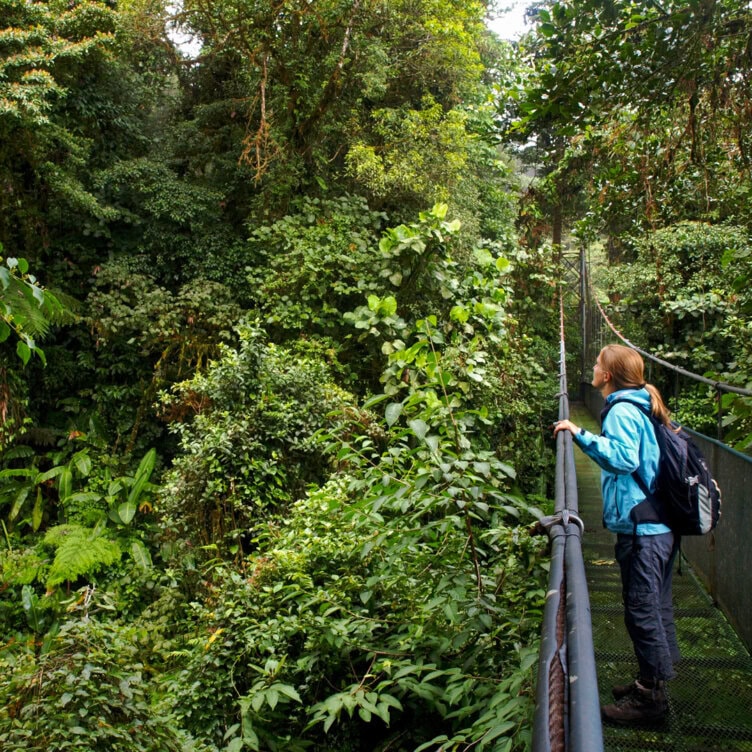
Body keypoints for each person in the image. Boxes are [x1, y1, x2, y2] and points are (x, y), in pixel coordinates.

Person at [553, 344, 680, 724]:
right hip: (658, 525)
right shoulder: (641, 404)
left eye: (597, 364)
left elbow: (624, 459)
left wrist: (579, 433)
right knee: (654, 608)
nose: (593, 368)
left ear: (607, 375)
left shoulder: (623, 410)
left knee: (642, 612)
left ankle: (650, 700)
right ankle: (650, 681)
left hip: (644, 531)